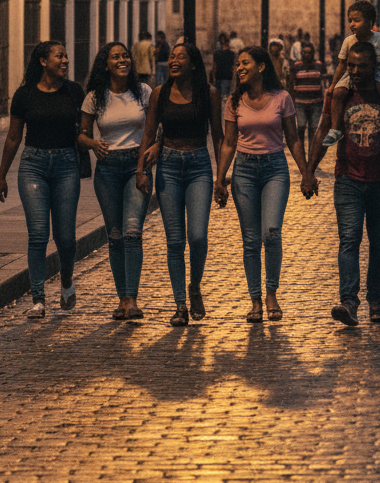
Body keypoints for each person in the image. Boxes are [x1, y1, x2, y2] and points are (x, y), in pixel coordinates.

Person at [303, 40, 380, 326]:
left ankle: (376, 302)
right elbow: (322, 130)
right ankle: (349, 303)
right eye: (350, 65)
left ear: (374, 66)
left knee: (379, 244)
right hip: (348, 178)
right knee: (349, 241)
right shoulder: (340, 92)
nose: (354, 71)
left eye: (361, 66)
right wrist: (309, 171)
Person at [214, 46, 309, 323]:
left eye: (245, 63)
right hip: (244, 172)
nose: (239, 68)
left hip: (275, 170)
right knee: (250, 240)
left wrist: (306, 173)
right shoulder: (234, 102)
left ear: (261, 66)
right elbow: (229, 142)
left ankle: (271, 293)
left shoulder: (282, 98)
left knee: (271, 233)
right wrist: (220, 179)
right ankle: (255, 300)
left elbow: (292, 139)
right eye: (237, 65)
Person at [0, 41, 86, 319]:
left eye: (66, 56)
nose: (66, 60)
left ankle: (67, 281)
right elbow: (13, 137)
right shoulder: (24, 95)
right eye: (60, 56)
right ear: (43, 61)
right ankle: (38, 298)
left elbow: (85, 129)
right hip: (33, 166)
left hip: (66, 166)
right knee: (38, 234)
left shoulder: (74, 92)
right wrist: (2, 176)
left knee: (66, 237)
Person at [136, 42, 222, 327]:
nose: (173, 61)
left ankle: (195, 285)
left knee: (197, 236)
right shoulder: (160, 94)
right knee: (174, 241)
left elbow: (219, 137)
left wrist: (221, 177)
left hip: (199, 166)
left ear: (193, 63)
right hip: (169, 168)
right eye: (171, 56)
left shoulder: (208, 93)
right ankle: (180, 305)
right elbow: (148, 134)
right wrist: (141, 171)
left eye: (179, 57)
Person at [78, 42, 154, 320]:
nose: (122, 60)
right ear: (105, 64)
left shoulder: (143, 92)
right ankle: (122, 298)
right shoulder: (95, 98)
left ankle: (132, 299)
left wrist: (149, 154)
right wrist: (92, 143)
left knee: (133, 232)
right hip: (107, 169)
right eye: (116, 57)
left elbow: (154, 128)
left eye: (125, 56)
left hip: (137, 167)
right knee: (115, 236)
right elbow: (81, 135)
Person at [323, 0, 380, 152]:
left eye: (357, 20)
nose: (352, 24)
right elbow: (342, 64)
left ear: (370, 23)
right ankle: (335, 129)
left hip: (378, 71)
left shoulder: (379, 38)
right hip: (352, 73)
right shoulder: (348, 41)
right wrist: (333, 85)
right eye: (350, 20)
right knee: (338, 93)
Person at [288, 40, 327, 165]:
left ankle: (311, 157)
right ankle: (301, 155)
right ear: (301, 53)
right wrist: (291, 101)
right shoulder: (296, 66)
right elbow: (291, 83)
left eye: (309, 53)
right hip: (300, 102)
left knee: (314, 130)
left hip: (316, 102)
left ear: (313, 53)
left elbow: (323, 82)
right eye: (304, 52)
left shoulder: (319, 65)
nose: (307, 55)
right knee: (300, 126)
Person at [211, 33, 235, 103]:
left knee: (221, 98)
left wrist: (213, 77)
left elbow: (214, 66)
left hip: (222, 76)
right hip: (224, 77)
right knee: (223, 98)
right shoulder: (231, 54)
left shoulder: (218, 53)